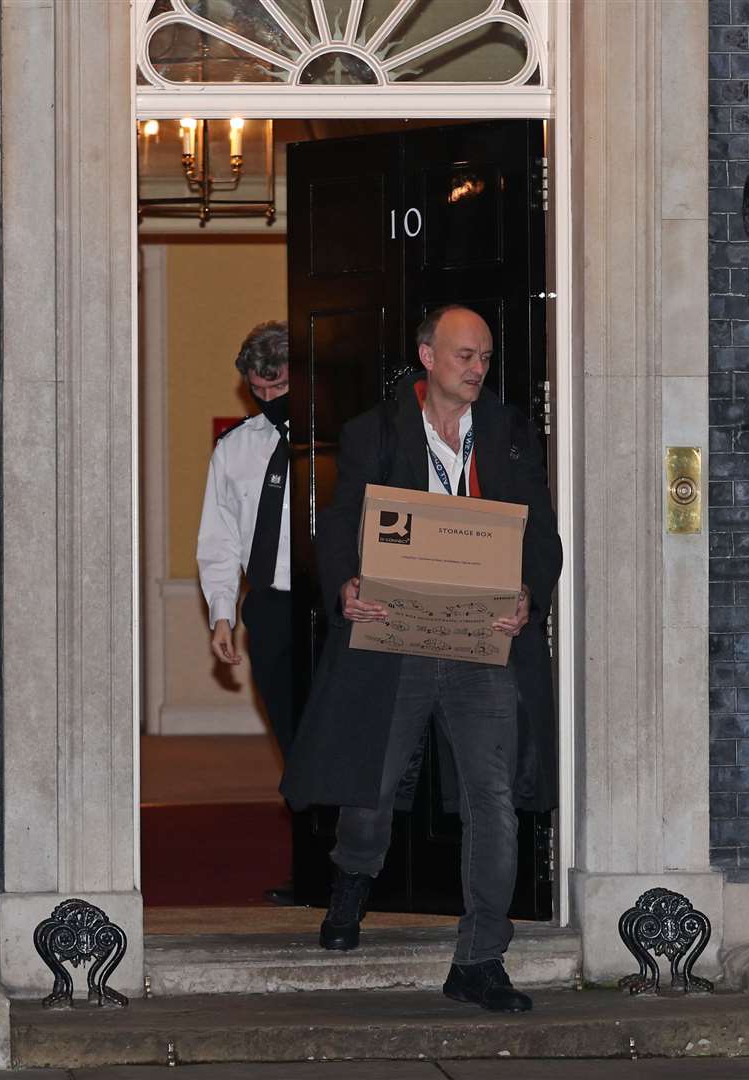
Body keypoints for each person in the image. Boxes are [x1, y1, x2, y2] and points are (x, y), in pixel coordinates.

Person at [280, 305, 562, 1013]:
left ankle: (479, 958)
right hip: (394, 639)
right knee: (371, 792)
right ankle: (351, 881)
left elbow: (539, 528)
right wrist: (344, 581)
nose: (477, 369)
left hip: (481, 642)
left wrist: (529, 590)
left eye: (486, 358)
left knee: (492, 801)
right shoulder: (372, 432)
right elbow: (342, 519)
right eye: (465, 355)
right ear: (427, 355)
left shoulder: (509, 434)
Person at [196, 319, 296, 758]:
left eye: (281, 388)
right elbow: (220, 539)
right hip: (271, 605)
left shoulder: (339, 438)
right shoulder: (233, 449)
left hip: (334, 603)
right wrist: (222, 613)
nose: (271, 399)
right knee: (287, 726)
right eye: (261, 391)